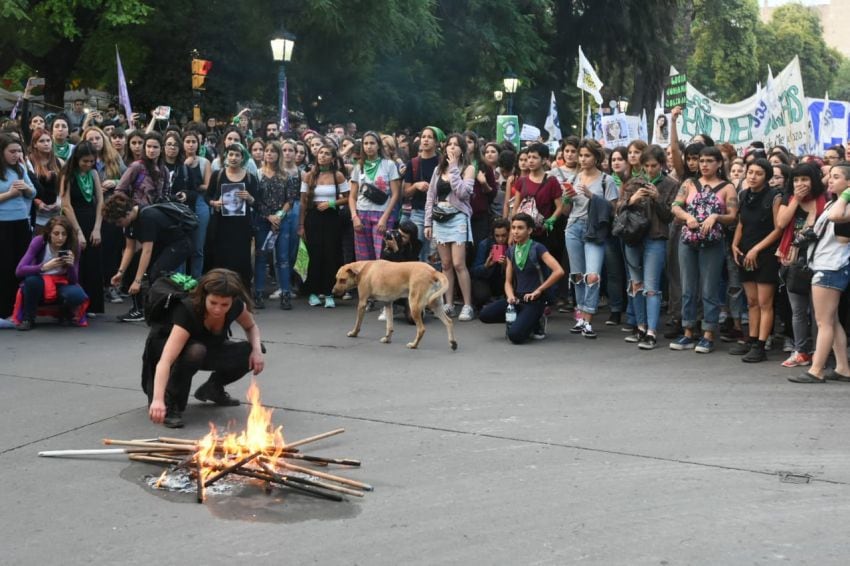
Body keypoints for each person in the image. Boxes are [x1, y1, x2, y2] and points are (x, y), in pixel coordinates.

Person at [143, 268, 265, 428]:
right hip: (167, 347)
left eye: (224, 305)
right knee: (196, 351)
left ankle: (213, 388)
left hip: (206, 346)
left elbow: (251, 326)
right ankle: (170, 401)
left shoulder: (236, 306)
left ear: (232, 300)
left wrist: (256, 350)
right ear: (204, 296)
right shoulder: (188, 309)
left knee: (252, 351)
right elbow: (165, 360)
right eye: (213, 303)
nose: (218, 309)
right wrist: (158, 400)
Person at [670, 146, 739, 353]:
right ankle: (688, 331)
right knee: (688, 288)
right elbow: (675, 205)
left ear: (719, 163)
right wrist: (687, 217)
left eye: (710, 161)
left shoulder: (727, 187)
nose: (705, 165)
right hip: (688, 239)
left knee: (709, 288)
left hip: (713, 241)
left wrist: (716, 216)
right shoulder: (689, 183)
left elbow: (733, 216)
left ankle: (708, 332)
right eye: (702, 161)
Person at [789, 163, 850, 383]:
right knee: (831, 320)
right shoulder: (834, 202)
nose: (829, 180)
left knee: (823, 321)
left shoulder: (842, 206)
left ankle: (816, 370)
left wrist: (847, 194)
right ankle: (843, 368)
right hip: (824, 264)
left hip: (832, 267)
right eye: (829, 176)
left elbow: (835, 217)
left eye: (836, 177)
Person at [618, 146, 678, 349]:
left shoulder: (670, 184)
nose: (651, 170)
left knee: (651, 286)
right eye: (647, 166)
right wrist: (631, 200)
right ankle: (640, 327)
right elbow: (618, 209)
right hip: (633, 237)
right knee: (636, 284)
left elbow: (669, 215)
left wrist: (657, 197)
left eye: (655, 165)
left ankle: (651, 331)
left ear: (661, 164)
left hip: (656, 237)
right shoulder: (633, 182)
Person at [102, 193, 195, 322]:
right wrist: (120, 272)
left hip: (180, 244)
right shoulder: (129, 222)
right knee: (132, 267)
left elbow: (147, 251)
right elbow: (129, 248)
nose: (118, 225)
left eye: (119, 222)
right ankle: (138, 310)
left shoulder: (147, 217)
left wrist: (138, 281)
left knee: (157, 273)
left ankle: (190, 288)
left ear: (128, 213)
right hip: (162, 244)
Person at [563, 139, 619, 339]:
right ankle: (580, 317)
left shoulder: (607, 180)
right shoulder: (575, 177)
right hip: (573, 227)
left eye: (587, 155)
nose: (583, 159)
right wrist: (567, 197)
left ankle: (588, 318)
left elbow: (613, 209)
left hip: (594, 229)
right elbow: (566, 210)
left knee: (593, 275)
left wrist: (591, 196)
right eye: (581, 155)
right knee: (577, 275)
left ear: (596, 157)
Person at [479, 213, 564, 343]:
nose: (515, 232)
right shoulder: (511, 251)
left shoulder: (538, 248)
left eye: (520, 228)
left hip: (535, 300)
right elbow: (508, 282)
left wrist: (539, 290)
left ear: (529, 230)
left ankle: (537, 320)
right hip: (517, 299)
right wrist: (510, 296)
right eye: (513, 228)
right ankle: (524, 320)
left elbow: (559, 271)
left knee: (515, 336)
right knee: (484, 315)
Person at [728, 159, 782, 363]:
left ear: (766, 176)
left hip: (765, 254)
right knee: (751, 301)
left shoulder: (775, 196)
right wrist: (735, 244)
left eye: (758, 173)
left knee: (764, 302)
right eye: (750, 172)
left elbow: (779, 229)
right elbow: (741, 222)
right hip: (744, 251)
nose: (752, 176)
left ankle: (761, 345)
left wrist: (756, 249)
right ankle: (751, 339)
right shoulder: (743, 194)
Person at [775, 163, 826, 368]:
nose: (800, 184)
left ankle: (818, 352)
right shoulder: (789, 199)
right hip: (794, 260)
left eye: (804, 179)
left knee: (818, 312)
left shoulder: (827, 201)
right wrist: (796, 199)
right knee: (798, 310)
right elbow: (780, 223)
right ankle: (801, 351)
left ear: (814, 180)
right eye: (796, 180)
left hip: (820, 260)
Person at [424, 133, 476, 321]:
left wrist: (454, 168)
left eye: (456, 145)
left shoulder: (468, 169)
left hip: (458, 218)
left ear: (462, 149)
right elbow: (431, 196)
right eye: (449, 144)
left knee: (458, 263)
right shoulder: (438, 170)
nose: (452, 147)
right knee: (445, 264)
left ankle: (468, 305)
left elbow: (462, 193)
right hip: (439, 219)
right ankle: (448, 303)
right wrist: (428, 222)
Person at [14, 216, 89, 330]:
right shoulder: (39, 242)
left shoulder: (74, 245)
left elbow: (74, 280)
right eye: (56, 233)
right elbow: (19, 270)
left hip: (61, 282)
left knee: (77, 295)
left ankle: (65, 313)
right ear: (49, 233)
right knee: (31, 281)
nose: (60, 238)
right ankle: (28, 318)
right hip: (40, 280)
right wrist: (43, 267)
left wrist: (70, 266)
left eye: (64, 234)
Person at [299, 141, 349, 308]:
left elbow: (349, 197)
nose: (323, 156)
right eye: (321, 153)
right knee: (314, 254)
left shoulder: (338, 176)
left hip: (331, 218)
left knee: (331, 254)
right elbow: (303, 202)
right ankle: (313, 292)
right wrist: (301, 225)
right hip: (313, 218)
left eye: (327, 154)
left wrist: (332, 203)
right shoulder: (309, 175)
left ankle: (329, 293)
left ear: (333, 158)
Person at [59, 141, 104, 316]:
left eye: (91, 161)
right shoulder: (67, 174)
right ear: (77, 159)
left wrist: (97, 227)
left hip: (92, 219)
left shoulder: (93, 173)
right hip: (73, 221)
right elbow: (66, 204)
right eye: (85, 161)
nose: (88, 164)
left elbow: (100, 201)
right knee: (77, 264)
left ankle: (91, 305)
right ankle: (74, 305)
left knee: (93, 263)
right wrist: (78, 232)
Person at [255, 140, 301, 310]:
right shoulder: (257, 174)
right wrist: (269, 217)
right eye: (267, 151)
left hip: (283, 221)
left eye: (273, 151)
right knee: (261, 257)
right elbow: (256, 200)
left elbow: (290, 199)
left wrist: (279, 216)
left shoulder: (286, 176)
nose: (269, 154)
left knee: (283, 258)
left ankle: (285, 293)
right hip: (262, 220)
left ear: (278, 154)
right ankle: (258, 293)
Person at [206, 143, 258, 288]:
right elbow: (207, 196)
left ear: (243, 158)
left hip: (242, 228)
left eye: (237, 155)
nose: (233, 158)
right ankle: (220, 291)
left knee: (241, 262)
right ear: (226, 156)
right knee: (221, 261)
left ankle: (242, 296)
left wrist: (250, 198)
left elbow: (258, 203)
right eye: (231, 154)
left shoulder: (250, 178)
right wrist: (214, 203)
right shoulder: (218, 175)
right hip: (221, 226)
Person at [0, 134, 37, 319]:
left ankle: (20, 309)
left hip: (21, 222)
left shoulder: (21, 168)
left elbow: (33, 192)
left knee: (21, 265)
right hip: (3, 225)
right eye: (11, 151)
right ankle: (5, 310)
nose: (16, 155)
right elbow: (9, 195)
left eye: (18, 151)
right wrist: (11, 194)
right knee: (5, 267)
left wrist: (26, 189)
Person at [349, 131, 401, 261]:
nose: (369, 146)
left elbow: (395, 194)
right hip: (361, 214)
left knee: (382, 257)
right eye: (365, 143)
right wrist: (354, 217)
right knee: (363, 259)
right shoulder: (358, 166)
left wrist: (384, 218)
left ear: (378, 146)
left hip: (382, 213)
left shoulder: (389, 165)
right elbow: (352, 196)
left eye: (372, 143)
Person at [402, 126, 442, 262]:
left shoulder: (442, 163)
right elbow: (406, 192)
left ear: (436, 142)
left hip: (439, 213)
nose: (426, 140)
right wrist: (416, 185)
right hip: (418, 212)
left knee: (434, 255)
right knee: (416, 251)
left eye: (430, 137)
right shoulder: (413, 163)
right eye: (424, 137)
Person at [115, 132, 169, 206]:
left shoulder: (164, 170)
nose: (151, 150)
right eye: (148, 146)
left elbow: (165, 194)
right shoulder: (137, 166)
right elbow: (119, 190)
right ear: (144, 147)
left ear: (161, 149)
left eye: (155, 147)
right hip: (139, 210)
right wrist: (131, 206)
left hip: (157, 211)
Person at [27, 128, 62, 234]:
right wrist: (37, 202)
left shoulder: (59, 162)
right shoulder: (29, 162)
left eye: (48, 140)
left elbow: (64, 187)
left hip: (56, 214)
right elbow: (26, 187)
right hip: (37, 216)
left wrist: (59, 202)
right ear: (34, 144)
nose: (46, 144)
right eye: (42, 141)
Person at [471, 217, 510, 308]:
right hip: (487, 280)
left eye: (504, 235)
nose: (500, 239)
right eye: (497, 236)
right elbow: (473, 271)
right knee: (481, 295)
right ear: (493, 235)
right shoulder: (485, 244)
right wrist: (486, 265)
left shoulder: (512, 245)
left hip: (504, 281)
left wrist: (506, 266)